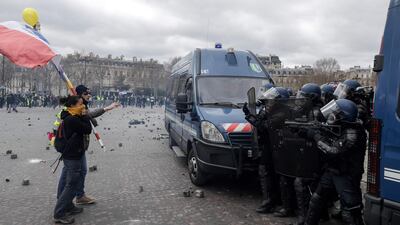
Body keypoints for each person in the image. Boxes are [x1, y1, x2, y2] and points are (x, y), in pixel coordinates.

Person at [303, 99, 367, 225]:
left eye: (336, 112)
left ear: (343, 116)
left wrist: (316, 136)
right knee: (316, 200)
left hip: (346, 174)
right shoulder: (343, 127)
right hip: (333, 170)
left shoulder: (351, 134)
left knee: (350, 210)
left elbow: (333, 150)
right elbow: (331, 136)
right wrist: (309, 131)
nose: (332, 115)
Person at [57, 85, 119, 206]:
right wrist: (106, 109)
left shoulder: (81, 107)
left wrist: (105, 109)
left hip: (78, 147)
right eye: (86, 93)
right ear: (79, 96)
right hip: (72, 148)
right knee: (68, 176)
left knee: (81, 171)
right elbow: (88, 122)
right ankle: (64, 201)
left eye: (89, 93)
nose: (89, 95)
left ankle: (78, 195)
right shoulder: (76, 109)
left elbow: (89, 117)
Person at [244, 87, 290, 214]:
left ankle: (270, 201)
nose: (269, 103)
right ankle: (270, 200)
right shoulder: (272, 111)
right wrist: (252, 113)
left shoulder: (282, 113)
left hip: (278, 147)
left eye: (271, 101)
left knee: (269, 172)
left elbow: (265, 126)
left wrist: (249, 116)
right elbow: (261, 121)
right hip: (270, 146)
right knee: (266, 172)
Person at [54, 95, 92, 224]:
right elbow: (88, 129)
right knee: (71, 184)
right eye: (80, 104)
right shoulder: (72, 119)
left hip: (74, 153)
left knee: (72, 180)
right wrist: (85, 115)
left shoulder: (70, 115)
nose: (83, 106)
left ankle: (68, 206)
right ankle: (59, 213)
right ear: (73, 106)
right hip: (73, 155)